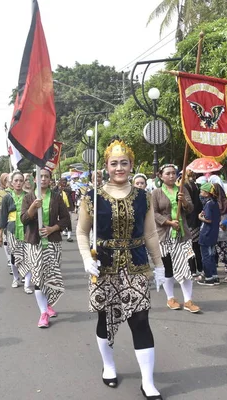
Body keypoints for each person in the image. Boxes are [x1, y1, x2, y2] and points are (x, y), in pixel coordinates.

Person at [77, 138, 165, 399]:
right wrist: (85, 257)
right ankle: (109, 365)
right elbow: (82, 232)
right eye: (114, 163)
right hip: (103, 265)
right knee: (105, 318)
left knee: (140, 319)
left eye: (123, 163)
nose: (119, 168)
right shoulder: (91, 197)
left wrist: (159, 265)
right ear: (106, 166)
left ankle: (147, 382)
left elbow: (150, 234)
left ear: (131, 165)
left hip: (136, 264)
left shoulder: (143, 197)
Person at [21, 168, 70, 328]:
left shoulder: (56, 197)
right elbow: (24, 220)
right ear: (35, 179)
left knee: (51, 277)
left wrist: (52, 229)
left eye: (46, 177)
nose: (43, 179)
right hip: (35, 244)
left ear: (50, 180)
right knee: (38, 277)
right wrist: (33, 208)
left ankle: (48, 304)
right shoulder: (28, 198)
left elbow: (65, 219)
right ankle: (43, 312)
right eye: (40, 176)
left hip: (53, 243)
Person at [152, 164, 200, 313]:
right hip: (164, 235)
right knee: (168, 268)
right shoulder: (156, 193)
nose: (172, 176)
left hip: (182, 234)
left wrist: (184, 202)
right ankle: (170, 298)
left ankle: (188, 300)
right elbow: (153, 213)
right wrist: (168, 222)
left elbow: (191, 208)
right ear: (161, 176)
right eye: (168, 174)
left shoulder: (182, 189)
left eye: (174, 173)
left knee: (187, 266)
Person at [0, 171, 32, 293]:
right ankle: (16, 277)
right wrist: (0, 235)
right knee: (14, 256)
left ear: (24, 182)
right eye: (16, 181)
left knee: (28, 256)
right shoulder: (7, 198)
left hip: (27, 228)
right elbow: (3, 216)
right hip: (12, 229)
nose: (18, 183)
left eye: (20, 180)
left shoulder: (29, 196)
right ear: (11, 183)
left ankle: (27, 284)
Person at [197, 182, 220, 286]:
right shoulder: (215, 203)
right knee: (211, 255)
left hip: (206, 233)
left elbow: (208, 219)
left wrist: (200, 217)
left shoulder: (208, 204)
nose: (200, 193)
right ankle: (214, 276)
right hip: (213, 233)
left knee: (206, 256)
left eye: (202, 191)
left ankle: (208, 277)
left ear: (206, 193)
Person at [56, 177, 76, 242]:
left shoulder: (68, 189)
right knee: (60, 221)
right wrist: (58, 188)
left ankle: (69, 236)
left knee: (69, 221)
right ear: (60, 182)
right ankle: (63, 230)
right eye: (62, 182)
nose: (64, 183)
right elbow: (53, 190)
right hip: (59, 208)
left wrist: (63, 188)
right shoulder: (57, 189)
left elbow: (70, 190)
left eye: (65, 182)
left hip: (68, 208)